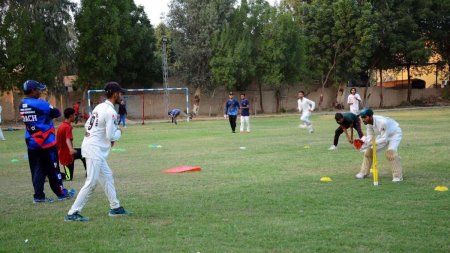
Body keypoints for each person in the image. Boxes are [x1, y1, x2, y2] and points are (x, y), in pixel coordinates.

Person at [65, 81, 129, 222]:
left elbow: (87, 126)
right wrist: (119, 132)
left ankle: (115, 207)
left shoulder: (99, 107)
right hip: (94, 150)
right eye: (120, 93)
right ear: (114, 94)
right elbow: (111, 135)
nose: (121, 95)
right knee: (91, 182)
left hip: (92, 147)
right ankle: (72, 213)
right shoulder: (110, 111)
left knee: (107, 176)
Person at [19, 80, 75, 203]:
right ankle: (61, 193)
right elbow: (57, 112)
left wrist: (43, 117)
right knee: (53, 169)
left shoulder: (21, 103)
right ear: (33, 90)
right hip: (46, 142)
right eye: (38, 89)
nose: (40, 91)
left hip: (31, 142)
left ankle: (39, 196)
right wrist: (46, 117)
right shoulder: (41, 104)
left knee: (37, 170)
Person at [356, 108, 403, 182]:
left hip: (394, 134)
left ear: (371, 116)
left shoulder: (382, 122)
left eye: (364, 117)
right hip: (383, 135)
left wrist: (370, 143)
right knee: (369, 152)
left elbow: (384, 139)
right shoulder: (368, 123)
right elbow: (370, 137)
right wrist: (363, 143)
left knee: (390, 153)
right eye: (362, 117)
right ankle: (364, 172)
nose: (363, 119)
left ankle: (397, 176)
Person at [57, 108, 87, 181]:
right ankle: (53, 174)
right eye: (74, 115)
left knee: (83, 152)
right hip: (66, 156)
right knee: (68, 177)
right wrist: (71, 149)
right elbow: (67, 139)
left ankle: (89, 172)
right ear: (70, 116)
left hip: (63, 153)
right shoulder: (67, 127)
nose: (75, 117)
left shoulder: (62, 125)